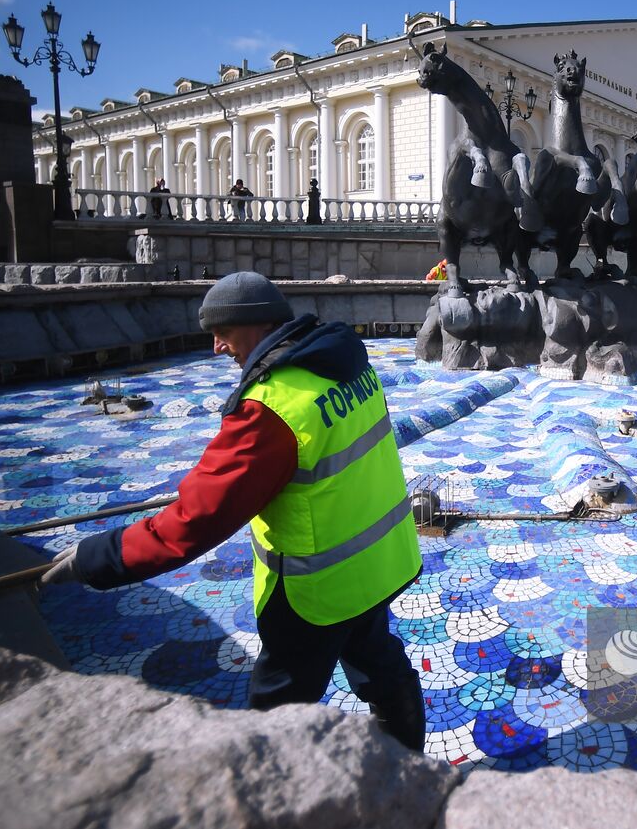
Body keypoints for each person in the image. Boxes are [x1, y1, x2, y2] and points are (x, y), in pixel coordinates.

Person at [42, 272, 426, 750]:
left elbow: (194, 521)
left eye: (222, 330)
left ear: (259, 324)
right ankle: (412, 765)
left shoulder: (271, 408)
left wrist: (98, 557)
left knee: (277, 714)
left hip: (313, 593)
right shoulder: (344, 365)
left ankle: (274, 799)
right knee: (382, 669)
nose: (217, 347)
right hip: (373, 567)